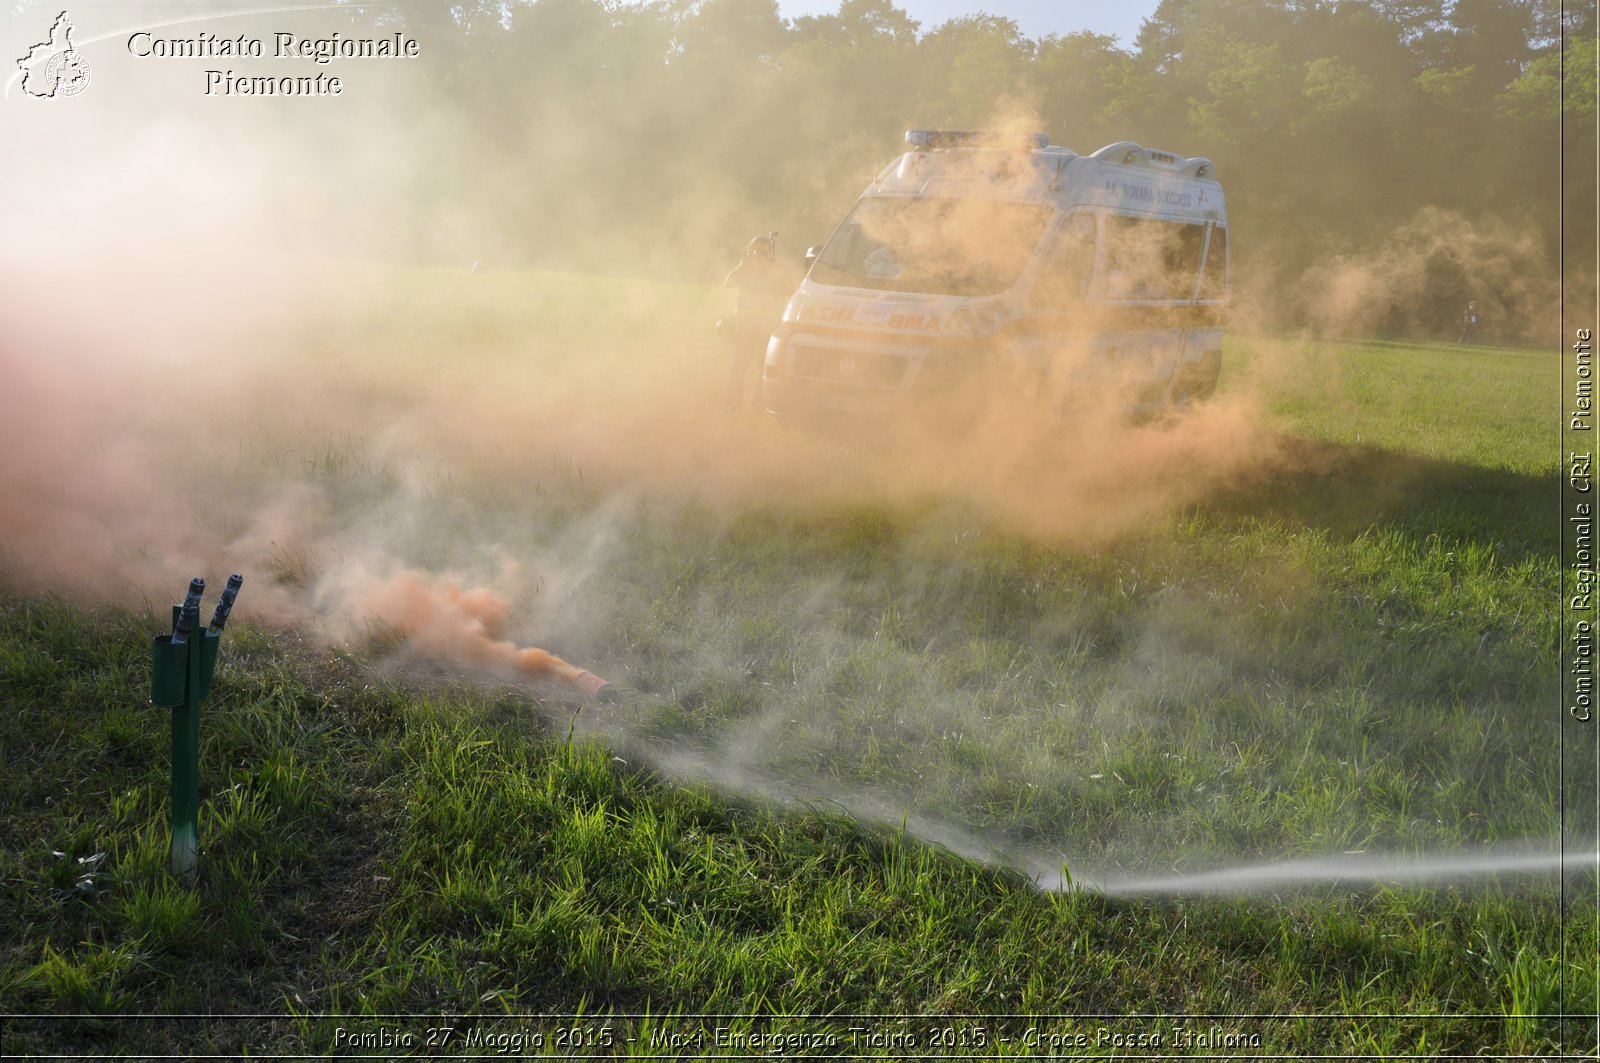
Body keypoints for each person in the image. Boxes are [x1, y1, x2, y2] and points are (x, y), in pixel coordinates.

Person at [723, 233, 791, 411]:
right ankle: (733, 404)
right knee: (740, 364)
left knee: (764, 367)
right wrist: (743, 266)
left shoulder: (780, 270)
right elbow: (727, 283)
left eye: (764, 253)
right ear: (750, 252)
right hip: (746, 324)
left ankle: (759, 406)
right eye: (756, 252)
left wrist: (772, 277)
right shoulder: (744, 268)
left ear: (770, 253)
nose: (761, 256)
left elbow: (790, 290)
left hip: (769, 324)